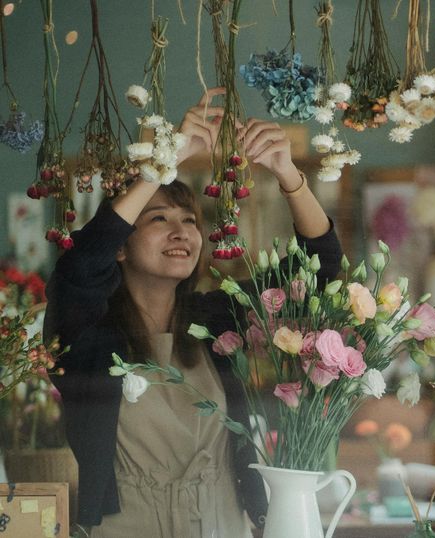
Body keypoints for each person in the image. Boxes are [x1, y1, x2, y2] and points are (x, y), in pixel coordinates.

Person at [44, 88, 343, 537]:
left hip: (222, 522)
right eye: (158, 219)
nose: (181, 231)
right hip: (126, 526)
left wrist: (288, 174)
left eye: (189, 220)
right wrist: (164, 163)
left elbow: (317, 278)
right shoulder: (87, 332)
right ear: (121, 247)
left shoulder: (215, 320)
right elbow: (81, 264)